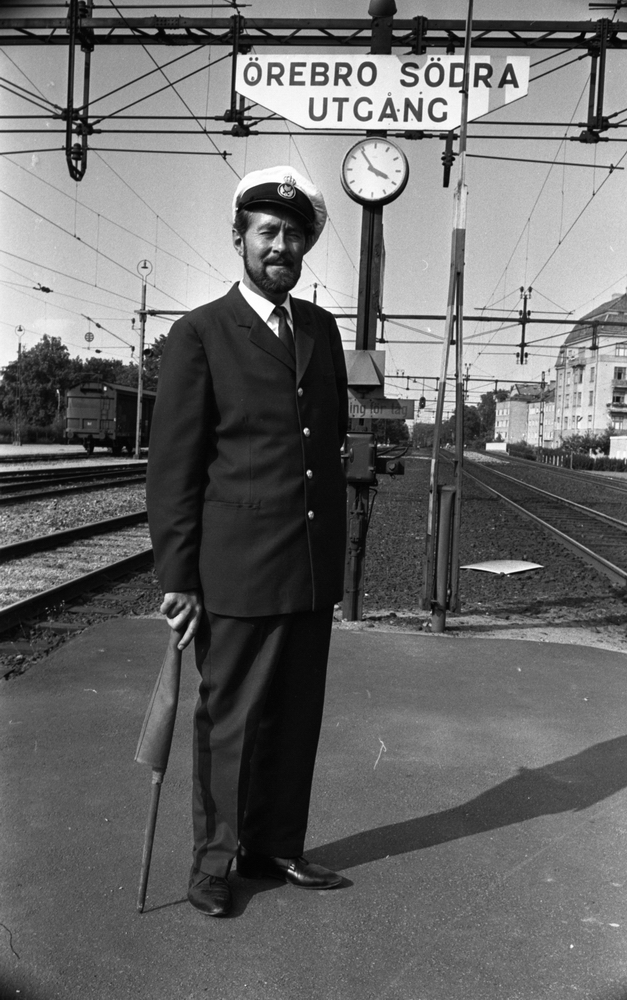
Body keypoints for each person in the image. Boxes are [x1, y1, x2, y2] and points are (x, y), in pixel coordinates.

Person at [146, 165, 349, 917]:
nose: (281, 245)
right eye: (267, 231)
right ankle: (210, 864)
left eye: (294, 234)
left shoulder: (321, 330)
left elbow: (323, 441)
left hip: (307, 565)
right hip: (234, 569)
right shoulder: (201, 332)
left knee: (294, 720)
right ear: (239, 238)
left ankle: (273, 845)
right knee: (228, 721)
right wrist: (178, 575)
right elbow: (174, 466)